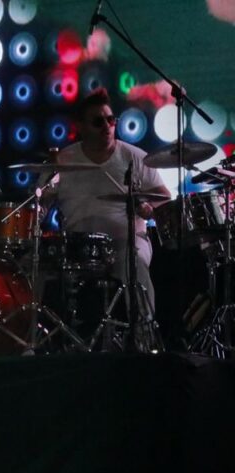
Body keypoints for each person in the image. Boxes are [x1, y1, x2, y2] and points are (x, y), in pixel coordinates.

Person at [51, 87, 169, 314]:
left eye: (111, 120)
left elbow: (163, 198)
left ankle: (144, 330)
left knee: (134, 264)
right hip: (77, 247)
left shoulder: (135, 157)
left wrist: (147, 208)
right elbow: (41, 203)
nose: (107, 126)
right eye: (98, 122)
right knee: (34, 264)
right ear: (81, 127)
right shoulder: (63, 160)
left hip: (126, 242)